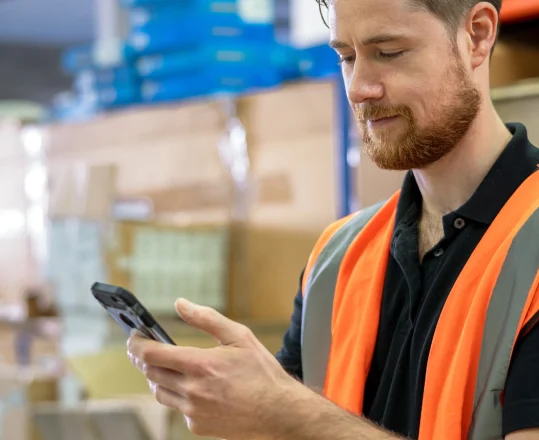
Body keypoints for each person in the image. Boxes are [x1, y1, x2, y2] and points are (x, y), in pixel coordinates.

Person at [127, 0, 539, 438]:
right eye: (346, 57)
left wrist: (284, 409)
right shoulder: (337, 259)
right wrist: (241, 404)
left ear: (477, 35)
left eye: (389, 52)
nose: (359, 87)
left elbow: (295, 417)